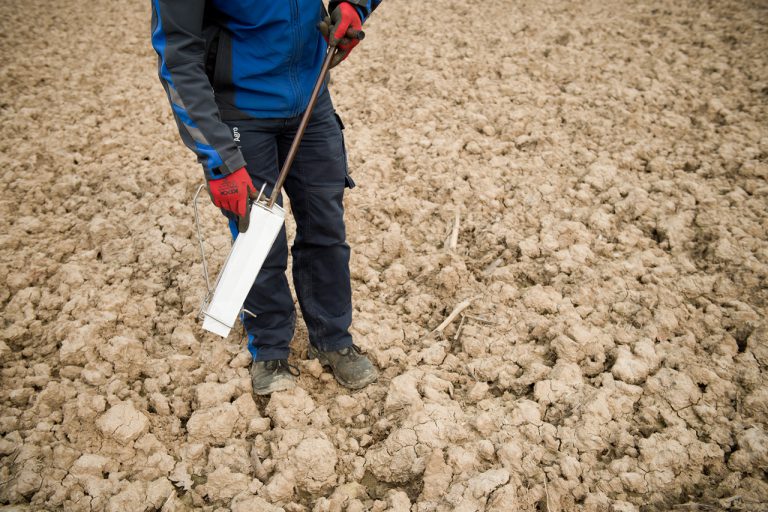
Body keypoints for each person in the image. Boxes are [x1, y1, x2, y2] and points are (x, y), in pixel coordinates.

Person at [150, 0, 381, 394]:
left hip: (311, 100)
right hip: (240, 111)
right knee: (258, 239)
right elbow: (178, 58)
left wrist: (355, 6)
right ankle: (270, 348)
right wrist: (220, 159)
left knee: (325, 226)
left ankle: (333, 340)